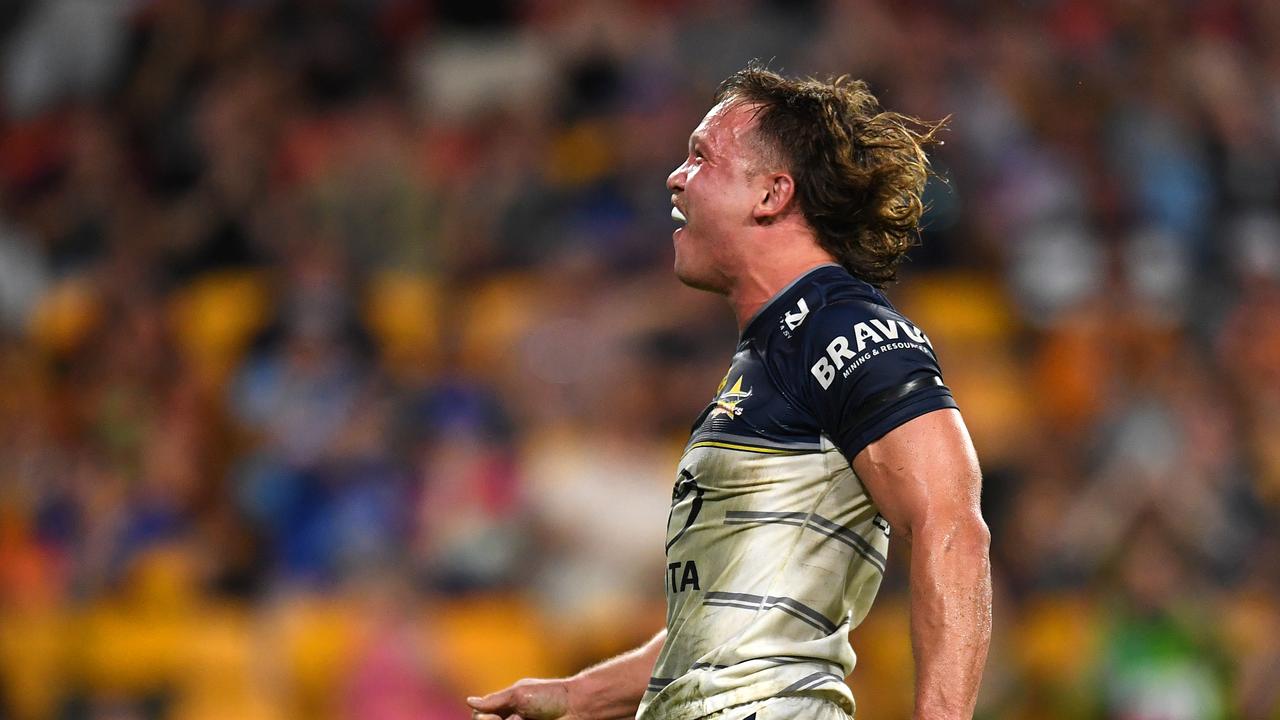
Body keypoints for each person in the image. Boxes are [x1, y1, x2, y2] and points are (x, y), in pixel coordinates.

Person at [468, 64, 991, 720]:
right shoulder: (768, 353)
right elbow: (726, 626)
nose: (675, 176)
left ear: (770, 195)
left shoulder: (846, 327)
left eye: (700, 157)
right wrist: (577, 696)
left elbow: (952, 528)